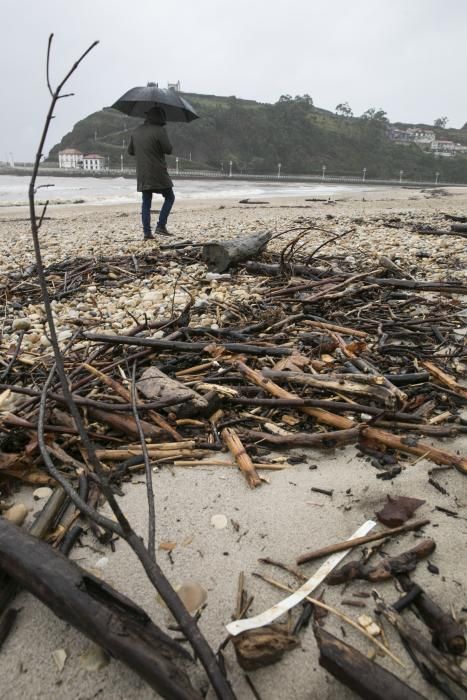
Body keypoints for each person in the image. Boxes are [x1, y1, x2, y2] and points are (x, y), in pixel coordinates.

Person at [127, 106, 175, 240]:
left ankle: (147, 233)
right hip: (158, 171)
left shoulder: (136, 131)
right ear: (160, 117)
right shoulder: (160, 130)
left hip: (143, 173)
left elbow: (130, 151)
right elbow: (168, 149)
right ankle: (161, 226)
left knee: (146, 202)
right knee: (170, 197)